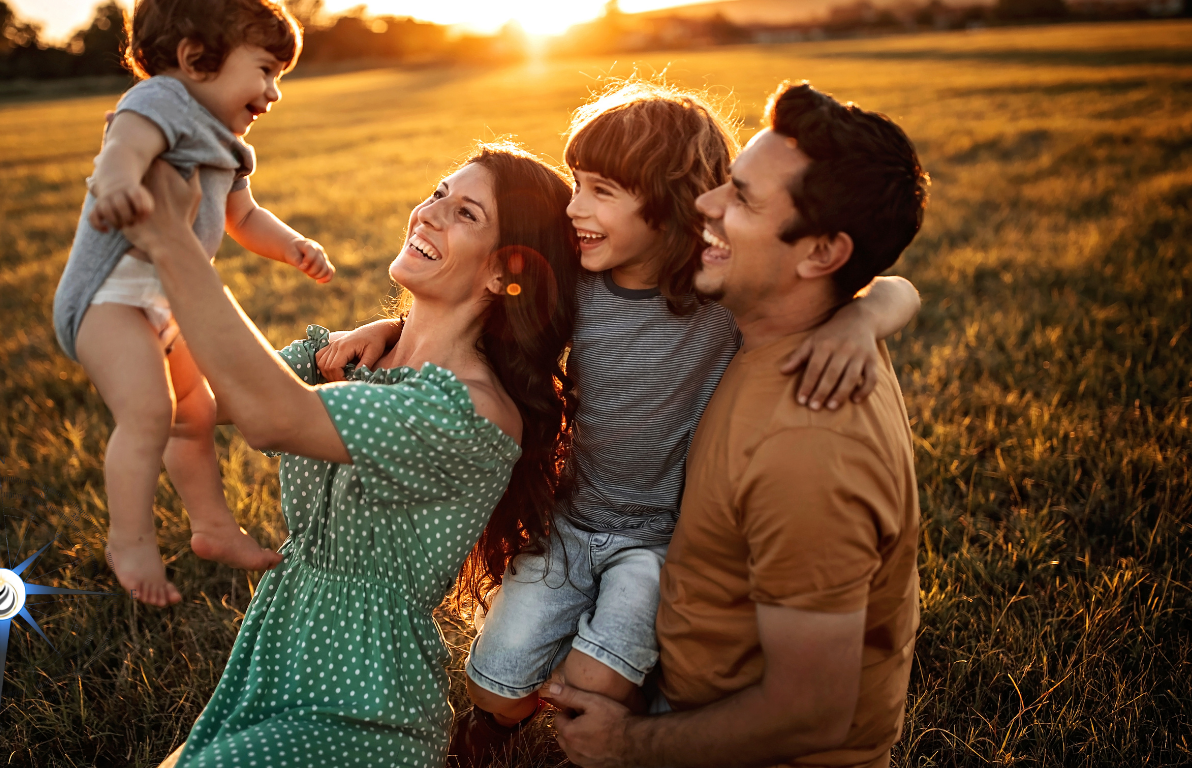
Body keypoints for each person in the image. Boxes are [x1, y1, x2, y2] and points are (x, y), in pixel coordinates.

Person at [321, 81, 922, 767]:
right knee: (496, 678)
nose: (710, 205)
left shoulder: (749, 346)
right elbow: (502, 317)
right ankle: (501, 720)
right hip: (575, 517)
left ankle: (611, 693)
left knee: (597, 680)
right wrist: (392, 326)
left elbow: (886, 284)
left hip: (650, 542)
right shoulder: (596, 279)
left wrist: (862, 317)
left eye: (742, 197)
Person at [122, 141, 581, 768]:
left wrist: (175, 247)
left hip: (366, 708)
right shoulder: (357, 359)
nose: (429, 212)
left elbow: (274, 416)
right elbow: (194, 400)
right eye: (439, 193)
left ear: (505, 272)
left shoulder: (472, 411)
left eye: (466, 214)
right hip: (274, 660)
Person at [544, 80, 929, 768]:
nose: (704, 202)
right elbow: (891, 288)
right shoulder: (781, 332)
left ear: (820, 255)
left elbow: (811, 712)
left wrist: (627, 744)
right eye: (728, 182)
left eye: (741, 198)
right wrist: (867, 311)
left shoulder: (809, 447)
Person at [51, 0, 336, 606]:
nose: (273, 92)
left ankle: (212, 527)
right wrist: (121, 185)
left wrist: (293, 247)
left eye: (279, 77)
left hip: (165, 300)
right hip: (110, 299)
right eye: (264, 70)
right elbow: (122, 150)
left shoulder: (229, 144)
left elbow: (244, 216)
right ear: (194, 59)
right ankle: (128, 541)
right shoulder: (159, 102)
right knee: (150, 411)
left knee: (195, 414)